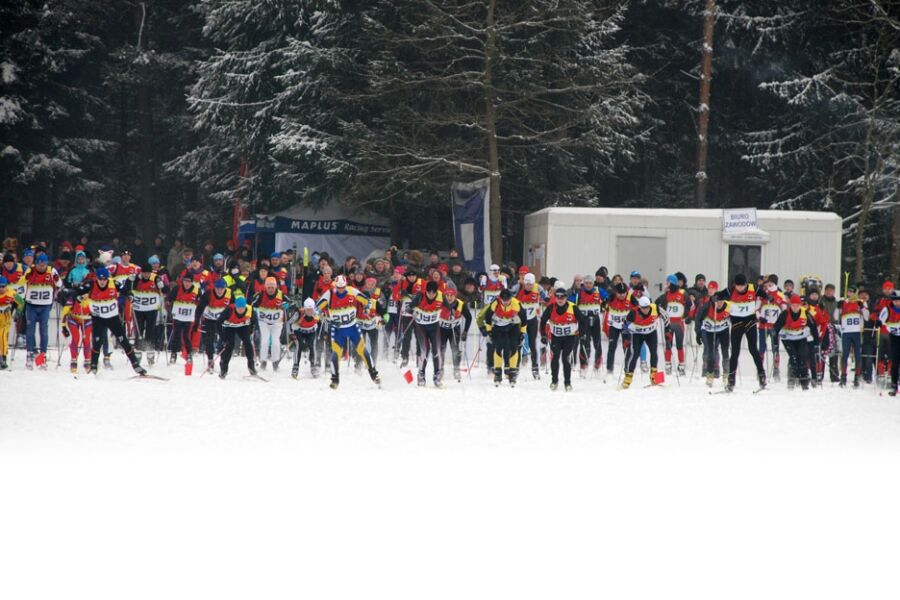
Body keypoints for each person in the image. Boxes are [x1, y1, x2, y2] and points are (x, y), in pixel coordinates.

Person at [71, 266, 146, 376]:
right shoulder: (91, 284)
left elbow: (125, 290)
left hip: (113, 318)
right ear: (97, 278)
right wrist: (78, 296)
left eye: (104, 279)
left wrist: (130, 295)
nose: (102, 282)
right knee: (97, 342)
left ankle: (135, 364)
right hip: (98, 318)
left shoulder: (113, 283)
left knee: (123, 340)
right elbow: (77, 292)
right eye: (100, 279)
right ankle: (93, 366)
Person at [316, 275, 380, 389]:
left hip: (352, 327)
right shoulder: (329, 293)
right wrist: (321, 315)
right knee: (336, 353)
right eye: (338, 287)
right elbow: (317, 307)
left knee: (362, 350)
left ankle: (374, 374)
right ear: (335, 285)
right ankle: (335, 379)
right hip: (337, 329)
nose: (341, 290)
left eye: (343, 287)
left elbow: (367, 301)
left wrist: (366, 307)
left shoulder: (352, 291)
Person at [540, 283, 586, 391]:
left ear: (566, 298)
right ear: (555, 298)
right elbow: (542, 321)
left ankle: (567, 383)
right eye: (558, 297)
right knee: (555, 357)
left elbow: (582, 321)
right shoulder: (551, 307)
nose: (560, 300)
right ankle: (554, 381)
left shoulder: (573, 307)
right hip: (556, 337)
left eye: (562, 297)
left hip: (569, 337)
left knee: (566, 358)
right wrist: (543, 334)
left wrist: (582, 333)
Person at [724, 274, 766, 392]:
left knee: (753, 349)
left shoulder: (753, 288)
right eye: (738, 286)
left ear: (746, 284)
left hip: (750, 322)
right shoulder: (731, 290)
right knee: (735, 352)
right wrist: (716, 297)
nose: (740, 288)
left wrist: (769, 298)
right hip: (737, 324)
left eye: (742, 286)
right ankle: (731, 380)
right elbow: (721, 295)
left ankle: (762, 376)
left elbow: (763, 294)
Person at [22, 253, 62, 369]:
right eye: (40, 264)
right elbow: (21, 283)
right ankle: (30, 356)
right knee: (30, 331)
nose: (41, 267)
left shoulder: (51, 271)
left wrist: (57, 279)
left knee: (43, 331)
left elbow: (59, 284)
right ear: (37, 263)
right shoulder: (31, 271)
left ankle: (42, 357)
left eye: (43, 265)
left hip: (45, 306)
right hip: (31, 306)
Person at [480, 288, 527, 386]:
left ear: (511, 298)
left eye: (507, 300)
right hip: (498, 327)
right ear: (500, 298)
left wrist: (522, 333)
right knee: (498, 348)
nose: (505, 302)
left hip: (512, 326)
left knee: (514, 347)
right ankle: (497, 373)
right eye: (503, 300)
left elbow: (524, 319)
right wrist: (489, 331)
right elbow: (488, 317)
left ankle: (512, 372)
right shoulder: (495, 303)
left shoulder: (516, 304)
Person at [621, 295, 670, 389]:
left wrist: (668, 331)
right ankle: (628, 378)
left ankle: (655, 378)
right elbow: (624, 326)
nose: (646, 310)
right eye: (643, 308)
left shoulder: (655, 308)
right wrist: (626, 338)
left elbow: (666, 317)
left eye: (647, 307)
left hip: (651, 333)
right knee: (635, 354)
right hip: (637, 334)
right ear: (639, 307)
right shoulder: (633, 312)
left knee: (654, 352)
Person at [774, 295, 818, 390]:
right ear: (790, 305)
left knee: (802, 358)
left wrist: (816, 343)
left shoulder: (805, 313)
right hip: (788, 339)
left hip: (801, 338)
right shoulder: (785, 314)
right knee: (793, 358)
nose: (795, 307)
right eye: (793, 305)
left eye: (797, 305)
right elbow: (776, 328)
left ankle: (804, 382)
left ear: (800, 305)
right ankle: (791, 381)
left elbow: (814, 327)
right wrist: (775, 343)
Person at [131, 263, 167, 366]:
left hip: (152, 309)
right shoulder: (136, 279)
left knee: (150, 330)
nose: (146, 275)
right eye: (144, 273)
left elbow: (165, 290)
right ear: (141, 272)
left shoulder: (156, 278)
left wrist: (162, 286)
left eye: (148, 273)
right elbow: (127, 288)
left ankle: (150, 352)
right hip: (138, 309)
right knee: (139, 330)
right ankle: (138, 352)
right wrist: (130, 287)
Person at [410, 280, 445, 386]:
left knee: (436, 350)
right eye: (429, 292)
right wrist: (413, 312)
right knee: (424, 351)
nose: (431, 295)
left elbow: (449, 307)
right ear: (426, 291)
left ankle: (437, 375)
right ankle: (421, 374)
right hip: (421, 327)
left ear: (436, 292)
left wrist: (451, 314)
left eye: (433, 293)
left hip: (435, 328)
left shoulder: (441, 296)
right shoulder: (420, 296)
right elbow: (409, 307)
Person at [656, 274, 691, 376]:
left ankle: (681, 366)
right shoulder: (666, 294)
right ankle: (668, 365)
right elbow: (658, 304)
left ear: (671, 282)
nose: (666, 284)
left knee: (679, 345)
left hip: (679, 323)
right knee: (668, 345)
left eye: (668, 282)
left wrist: (686, 316)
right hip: (668, 323)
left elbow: (690, 306)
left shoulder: (683, 293)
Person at [195, 278, 232, 373]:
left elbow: (234, 308)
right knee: (209, 340)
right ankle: (210, 360)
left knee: (225, 341)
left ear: (225, 288)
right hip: (210, 319)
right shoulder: (208, 294)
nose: (219, 291)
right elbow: (199, 309)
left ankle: (224, 361)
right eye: (217, 288)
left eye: (222, 288)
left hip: (223, 321)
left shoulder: (230, 294)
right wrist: (196, 322)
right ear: (214, 288)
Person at [695, 289, 730, 387]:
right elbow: (698, 318)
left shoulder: (728, 306)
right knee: (711, 351)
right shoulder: (707, 306)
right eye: (717, 302)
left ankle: (726, 375)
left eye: (721, 302)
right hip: (710, 330)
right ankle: (710, 375)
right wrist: (698, 333)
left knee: (725, 351)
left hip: (723, 330)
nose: (719, 304)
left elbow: (736, 317)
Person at [438, 281, 472, 382]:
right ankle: (440, 370)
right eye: (447, 295)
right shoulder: (440, 303)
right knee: (441, 350)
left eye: (451, 295)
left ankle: (456, 370)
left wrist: (465, 331)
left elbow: (469, 318)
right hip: (442, 329)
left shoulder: (460, 304)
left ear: (455, 295)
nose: (449, 297)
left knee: (456, 350)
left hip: (455, 330)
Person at [517, 272, 548, 379]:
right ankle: (515, 368)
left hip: (533, 320)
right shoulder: (519, 290)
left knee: (532, 344)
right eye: (527, 284)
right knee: (518, 344)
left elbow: (546, 297)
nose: (529, 286)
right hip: (521, 321)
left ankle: (535, 368)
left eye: (530, 284)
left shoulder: (537, 288)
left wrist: (547, 300)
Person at [835, 285, 868, 387]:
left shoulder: (860, 302)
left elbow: (867, 317)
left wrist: (862, 307)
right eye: (849, 292)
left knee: (858, 355)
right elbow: (836, 317)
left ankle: (857, 377)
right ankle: (843, 376)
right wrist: (838, 307)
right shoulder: (844, 302)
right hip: (846, 333)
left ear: (855, 293)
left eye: (852, 292)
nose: (850, 294)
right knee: (844, 355)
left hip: (857, 333)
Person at [217, 296, 258, 379]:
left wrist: (251, 330)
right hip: (229, 327)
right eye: (238, 308)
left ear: (245, 306)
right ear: (235, 306)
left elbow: (254, 321)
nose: (240, 310)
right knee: (229, 345)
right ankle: (224, 369)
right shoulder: (229, 310)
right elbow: (218, 323)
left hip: (243, 326)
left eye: (242, 308)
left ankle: (251, 367)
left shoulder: (250, 310)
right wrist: (222, 337)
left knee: (248, 343)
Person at [575, 275, 606, 376]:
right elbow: (572, 303)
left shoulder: (598, 291)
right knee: (584, 342)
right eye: (587, 283)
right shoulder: (579, 292)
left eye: (590, 283)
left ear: (593, 284)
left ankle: (597, 365)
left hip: (595, 319)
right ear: (584, 284)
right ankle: (583, 365)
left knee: (597, 342)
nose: (588, 285)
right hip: (584, 320)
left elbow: (608, 298)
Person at [167, 274, 200, 366]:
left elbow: (201, 302)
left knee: (186, 336)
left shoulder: (197, 290)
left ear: (192, 282)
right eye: (185, 281)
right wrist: (168, 303)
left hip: (189, 318)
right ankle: (173, 354)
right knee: (176, 335)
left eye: (189, 282)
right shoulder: (177, 289)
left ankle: (189, 355)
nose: (187, 284)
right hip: (178, 316)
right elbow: (169, 298)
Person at [253, 276, 286, 371]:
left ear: (276, 287)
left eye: (272, 287)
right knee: (265, 340)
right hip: (264, 322)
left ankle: (275, 362)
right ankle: (263, 361)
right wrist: (254, 308)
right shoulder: (261, 295)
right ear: (265, 287)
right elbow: (251, 303)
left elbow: (291, 303)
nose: (270, 289)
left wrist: (286, 305)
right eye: (268, 287)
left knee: (275, 341)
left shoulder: (281, 294)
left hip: (277, 323)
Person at [603, 282, 631, 377]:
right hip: (614, 326)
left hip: (625, 326)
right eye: (619, 293)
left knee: (626, 347)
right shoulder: (611, 297)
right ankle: (609, 369)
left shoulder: (630, 297)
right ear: (616, 292)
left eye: (624, 293)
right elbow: (602, 306)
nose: (622, 295)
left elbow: (637, 309)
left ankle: (628, 369)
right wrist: (605, 303)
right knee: (612, 346)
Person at [287, 298, 320, 379]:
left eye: (311, 310)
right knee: (299, 345)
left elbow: (324, 321)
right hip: (299, 331)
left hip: (311, 331)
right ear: (304, 309)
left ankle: (313, 366)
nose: (309, 312)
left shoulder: (317, 313)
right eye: (307, 310)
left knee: (312, 346)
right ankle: (295, 366)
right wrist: (290, 333)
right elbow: (288, 323)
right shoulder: (298, 313)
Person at [877, 289, 900, 395]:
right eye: (895, 301)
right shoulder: (888, 309)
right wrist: (879, 322)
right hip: (894, 336)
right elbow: (880, 319)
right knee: (895, 361)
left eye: (899, 301)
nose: (897, 303)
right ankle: (894, 384)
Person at [0, 276, 23, 370]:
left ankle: (3, 358)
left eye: (3, 286)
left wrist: (18, 313)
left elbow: (21, 302)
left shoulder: (12, 293)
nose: (1, 289)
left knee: (2, 336)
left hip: (5, 321)